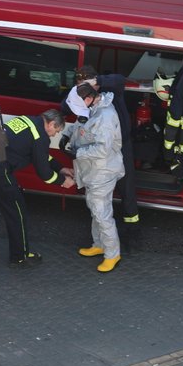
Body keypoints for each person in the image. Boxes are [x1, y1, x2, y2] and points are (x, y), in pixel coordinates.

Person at [0, 108, 75, 268]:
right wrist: (62, 181)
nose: (54, 135)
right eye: (56, 131)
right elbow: (45, 174)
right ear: (51, 123)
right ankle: (20, 257)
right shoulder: (40, 136)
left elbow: (40, 155)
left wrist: (60, 168)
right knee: (16, 210)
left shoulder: (27, 120)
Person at [61, 83, 125, 273]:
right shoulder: (94, 108)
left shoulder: (105, 117)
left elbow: (103, 149)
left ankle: (112, 254)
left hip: (102, 171)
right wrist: (67, 135)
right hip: (94, 170)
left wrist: (77, 153)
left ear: (89, 99)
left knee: (101, 213)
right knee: (95, 208)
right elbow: (81, 124)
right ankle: (99, 244)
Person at [70, 65, 140, 226]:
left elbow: (120, 80)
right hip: (98, 147)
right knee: (99, 188)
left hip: (121, 145)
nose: (82, 91)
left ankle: (131, 227)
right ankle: (104, 225)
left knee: (126, 186)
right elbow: (67, 106)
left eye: (85, 85)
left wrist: (97, 80)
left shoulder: (112, 91)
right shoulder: (80, 96)